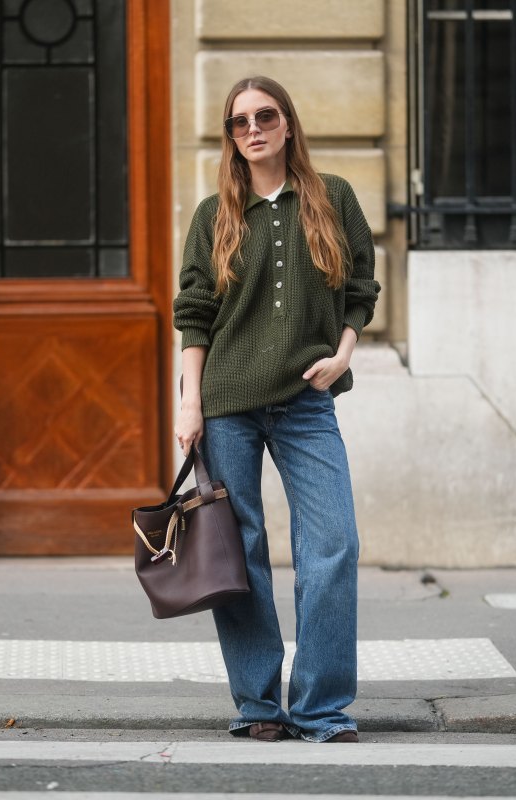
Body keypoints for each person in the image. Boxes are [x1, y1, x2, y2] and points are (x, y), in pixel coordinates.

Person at [172, 76, 379, 744]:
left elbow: (361, 291)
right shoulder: (215, 215)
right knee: (240, 553)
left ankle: (321, 707)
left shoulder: (333, 199)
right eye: (239, 122)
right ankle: (259, 705)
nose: (253, 128)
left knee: (333, 545)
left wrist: (343, 354)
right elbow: (196, 316)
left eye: (266, 116)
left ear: (288, 124)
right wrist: (188, 405)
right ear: (231, 137)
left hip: (306, 401)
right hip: (228, 402)